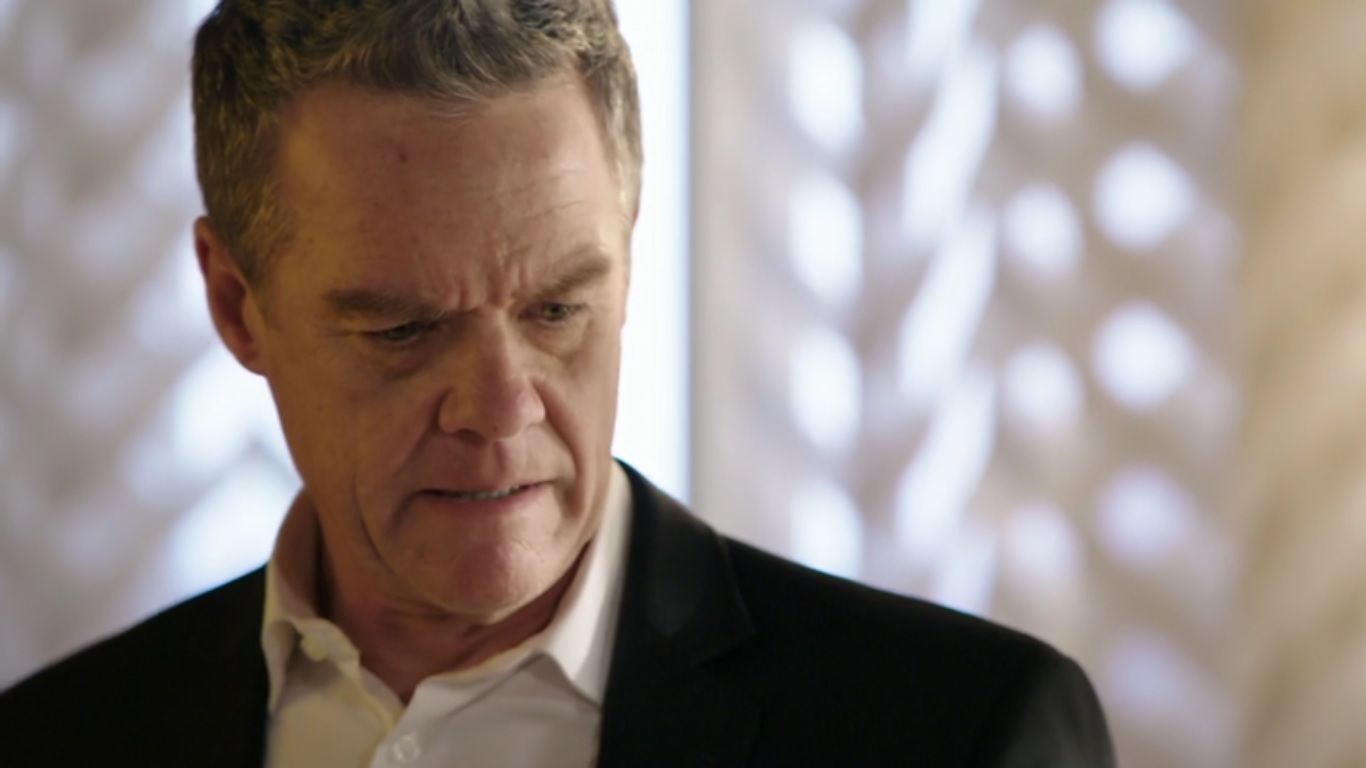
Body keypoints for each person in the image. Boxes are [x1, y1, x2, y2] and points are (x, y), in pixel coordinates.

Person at [0, 1, 1115, 765]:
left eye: (557, 311)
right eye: (401, 329)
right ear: (237, 305)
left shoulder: (960, 733)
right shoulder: (55, 743)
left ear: (627, 261)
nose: (501, 409)